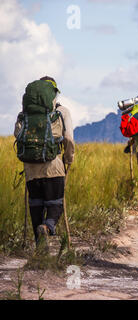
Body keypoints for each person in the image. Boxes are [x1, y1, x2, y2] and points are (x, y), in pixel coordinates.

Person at [14, 76, 75, 252]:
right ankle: (47, 227)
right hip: (53, 166)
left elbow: (17, 134)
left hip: (31, 168)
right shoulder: (62, 111)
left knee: (36, 206)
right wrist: (68, 159)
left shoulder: (25, 114)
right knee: (55, 204)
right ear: (54, 93)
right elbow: (69, 139)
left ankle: (41, 250)